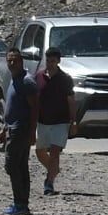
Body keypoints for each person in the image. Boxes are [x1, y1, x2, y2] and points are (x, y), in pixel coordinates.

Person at [33, 46, 77, 196]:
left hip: (60, 121)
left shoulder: (65, 79)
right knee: (40, 152)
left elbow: (71, 101)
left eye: (53, 61)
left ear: (58, 61)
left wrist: (74, 121)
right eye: (48, 61)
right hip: (43, 121)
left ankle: (49, 182)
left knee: (54, 152)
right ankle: (54, 169)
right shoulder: (39, 76)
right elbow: (35, 98)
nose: (50, 64)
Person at [0, 46, 35, 215]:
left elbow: (35, 108)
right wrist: (4, 129)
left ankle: (20, 203)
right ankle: (22, 204)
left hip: (21, 130)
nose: (12, 64)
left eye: (15, 60)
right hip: (12, 128)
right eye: (9, 61)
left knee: (12, 165)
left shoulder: (27, 81)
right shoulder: (14, 79)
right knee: (20, 166)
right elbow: (13, 108)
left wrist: (32, 131)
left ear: (21, 61)